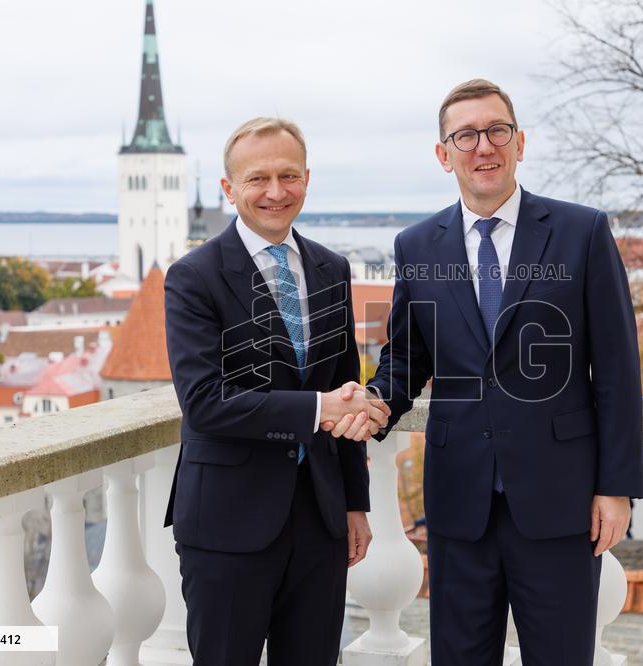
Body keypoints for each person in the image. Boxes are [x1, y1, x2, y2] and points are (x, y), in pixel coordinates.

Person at [330, 79, 643, 666]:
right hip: (459, 504)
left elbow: (620, 370)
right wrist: (375, 400)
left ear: (519, 142)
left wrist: (616, 485)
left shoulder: (582, 232)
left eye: (496, 130)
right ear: (443, 153)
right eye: (465, 135)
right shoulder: (417, 244)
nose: (483, 146)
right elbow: (407, 356)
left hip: (562, 501)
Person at [163, 117, 390, 665]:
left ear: (306, 179)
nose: (275, 192)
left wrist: (355, 503)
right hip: (227, 523)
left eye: (289, 175)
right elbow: (204, 402)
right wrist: (317, 409)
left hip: (319, 520)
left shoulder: (332, 269)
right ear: (228, 188)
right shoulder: (192, 277)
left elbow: (346, 387)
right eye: (257, 178)